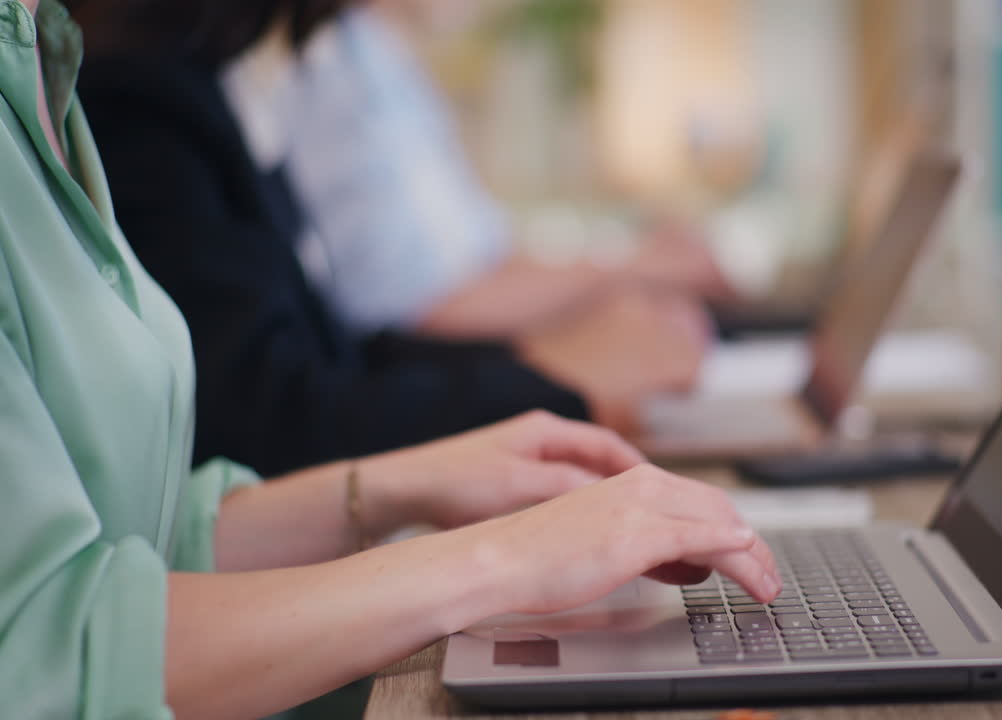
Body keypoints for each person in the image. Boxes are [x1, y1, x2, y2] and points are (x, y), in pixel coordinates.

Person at [0, 2, 780, 717]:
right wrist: (503, 559)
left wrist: (400, 483)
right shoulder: (122, 82)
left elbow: (147, 532)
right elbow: (48, 645)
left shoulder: (44, 65)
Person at [72, 0, 710, 478]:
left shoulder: (217, 79)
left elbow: (334, 355)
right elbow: (269, 427)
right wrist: (553, 381)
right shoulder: (143, 95)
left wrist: (545, 366)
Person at [224, 1, 734, 342]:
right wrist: (628, 271)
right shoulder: (328, 71)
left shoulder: (383, 61)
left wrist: (627, 269)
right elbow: (412, 314)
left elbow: (489, 261)